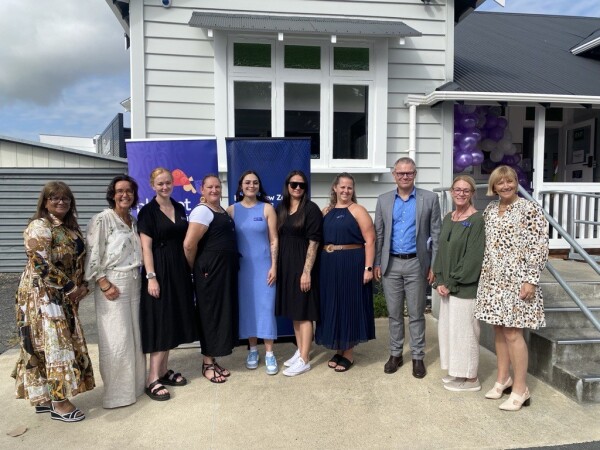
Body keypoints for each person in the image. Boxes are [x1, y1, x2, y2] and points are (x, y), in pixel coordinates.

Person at [13, 181, 94, 423]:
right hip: (42, 296)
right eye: (55, 198)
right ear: (45, 202)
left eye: (66, 198)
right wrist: (70, 288)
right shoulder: (40, 225)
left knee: (47, 344)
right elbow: (40, 264)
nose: (61, 202)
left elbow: (77, 261)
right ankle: (59, 403)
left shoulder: (69, 228)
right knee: (54, 345)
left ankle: (44, 399)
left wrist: (82, 286)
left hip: (62, 295)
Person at [474, 165, 549, 411]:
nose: (505, 186)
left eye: (510, 181)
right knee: (498, 330)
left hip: (518, 280)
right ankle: (503, 379)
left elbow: (539, 246)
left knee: (513, 333)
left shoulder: (529, 209)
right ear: (493, 186)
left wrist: (531, 279)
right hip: (493, 279)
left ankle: (520, 389)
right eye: (500, 182)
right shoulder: (491, 210)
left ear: (516, 182)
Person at [374, 157, 441, 378]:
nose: (405, 176)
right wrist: (376, 262)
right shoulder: (383, 200)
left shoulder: (430, 199)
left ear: (415, 174)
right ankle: (395, 354)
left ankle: (418, 356)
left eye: (409, 173)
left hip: (416, 263)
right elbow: (379, 234)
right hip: (391, 263)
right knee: (394, 314)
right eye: (401, 173)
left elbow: (436, 235)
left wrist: (434, 265)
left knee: (416, 313)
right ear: (394, 175)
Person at [137, 168, 199, 401]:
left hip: (179, 271)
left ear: (173, 184)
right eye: (160, 184)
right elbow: (146, 248)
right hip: (160, 272)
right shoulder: (147, 212)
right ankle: (152, 378)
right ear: (153, 185)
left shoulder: (180, 208)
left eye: (168, 183)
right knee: (161, 322)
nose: (165, 187)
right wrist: (151, 277)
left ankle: (163, 371)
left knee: (172, 320)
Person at [85, 175, 145, 408]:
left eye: (129, 191)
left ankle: (135, 388)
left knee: (134, 337)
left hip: (134, 281)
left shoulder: (132, 220)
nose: (125, 195)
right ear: (112, 194)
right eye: (120, 191)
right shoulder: (103, 219)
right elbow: (92, 253)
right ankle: (117, 395)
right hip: (113, 282)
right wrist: (103, 282)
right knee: (116, 338)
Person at [315, 173, 376, 372]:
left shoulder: (358, 210)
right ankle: (339, 349)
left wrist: (368, 268)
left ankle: (348, 353)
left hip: (351, 263)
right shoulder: (326, 211)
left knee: (348, 305)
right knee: (333, 304)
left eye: (349, 187)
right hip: (328, 265)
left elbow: (370, 240)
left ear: (353, 190)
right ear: (334, 188)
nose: (345, 191)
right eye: (342, 187)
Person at [432, 175, 485, 392]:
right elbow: (442, 250)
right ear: (452, 192)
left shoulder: (477, 220)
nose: (461, 193)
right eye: (457, 189)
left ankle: (471, 378)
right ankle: (457, 372)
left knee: (466, 333)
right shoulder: (448, 218)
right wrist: (440, 279)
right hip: (447, 286)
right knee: (450, 331)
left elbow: (473, 257)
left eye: (466, 190)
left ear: (472, 193)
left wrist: (452, 281)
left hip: (464, 287)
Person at [183, 174, 238, 383]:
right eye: (210, 187)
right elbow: (189, 245)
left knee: (219, 314)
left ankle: (213, 359)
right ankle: (207, 363)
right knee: (210, 315)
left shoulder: (221, 210)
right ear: (202, 190)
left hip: (223, 271)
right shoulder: (201, 211)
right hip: (210, 271)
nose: (214, 190)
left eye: (217, 186)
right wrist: (196, 268)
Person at [227, 171, 279, 375]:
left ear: (259, 186)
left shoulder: (267, 208)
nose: (251, 185)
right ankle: (253, 350)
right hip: (242, 269)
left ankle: (269, 353)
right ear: (241, 186)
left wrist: (274, 266)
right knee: (248, 308)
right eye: (247, 182)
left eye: (255, 182)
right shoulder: (231, 210)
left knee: (265, 308)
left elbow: (274, 239)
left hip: (265, 267)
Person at [275, 170, 322, 377]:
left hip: (302, 266)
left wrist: (306, 272)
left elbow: (314, 242)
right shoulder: (282, 208)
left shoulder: (311, 209)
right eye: (294, 184)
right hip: (286, 266)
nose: (297, 188)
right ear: (287, 186)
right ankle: (300, 351)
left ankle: (305, 358)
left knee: (304, 313)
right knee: (295, 312)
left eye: (301, 185)